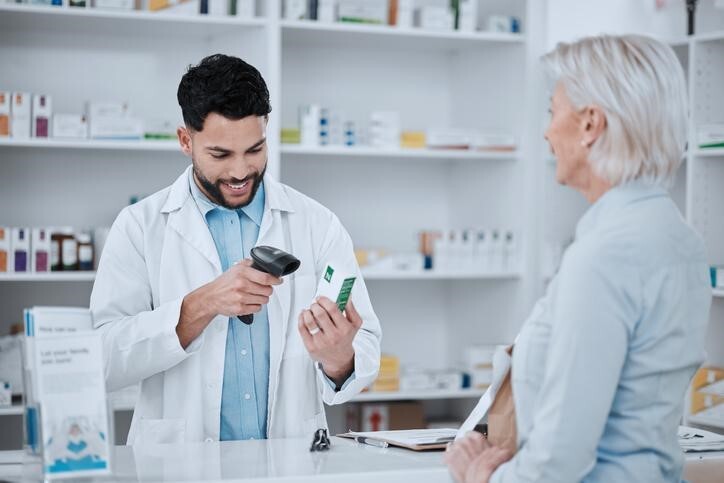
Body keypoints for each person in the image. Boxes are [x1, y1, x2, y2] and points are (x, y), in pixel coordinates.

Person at [445, 34, 711, 482]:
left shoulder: (605, 256)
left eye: (552, 113)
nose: (547, 132)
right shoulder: (676, 236)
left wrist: (481, 478)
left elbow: (559, 458)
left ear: (590, 125)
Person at [90, 54, 381, 445]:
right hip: (180, 461)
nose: (241, 171)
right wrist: (204, 304)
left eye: (255, 149)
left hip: (290, 458)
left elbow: (364, 349)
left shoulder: (316, 223)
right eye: (220, 155)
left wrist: (338, 356)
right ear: (185, 141)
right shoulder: (140, 226)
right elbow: (103, 359)